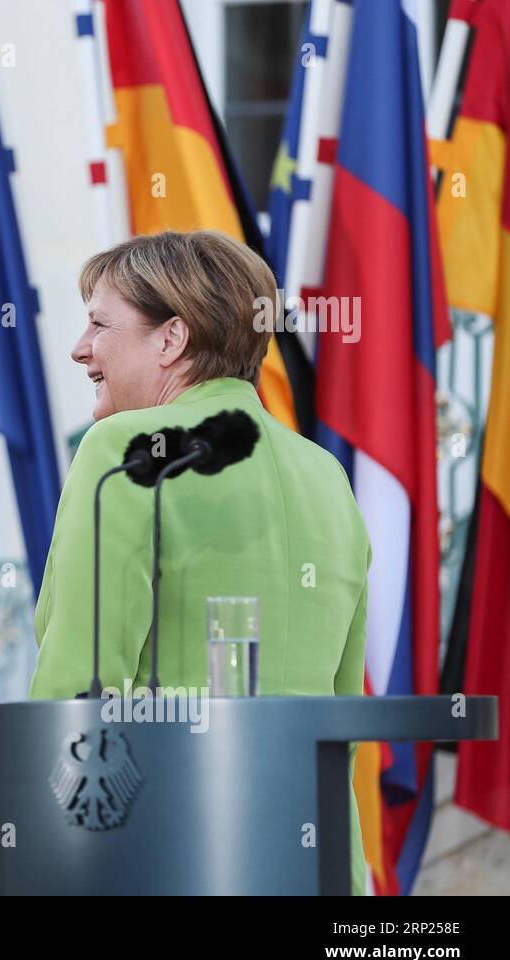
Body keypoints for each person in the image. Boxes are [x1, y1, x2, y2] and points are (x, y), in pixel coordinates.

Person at [29, 229, 370, 895]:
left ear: (171, 339)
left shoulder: (123, 449)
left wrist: (36, 850)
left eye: (99, 322)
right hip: (323, 866)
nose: (80, 348)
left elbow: (81, 693)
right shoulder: (327, 474)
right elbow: (345, 714)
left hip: (180, 853)